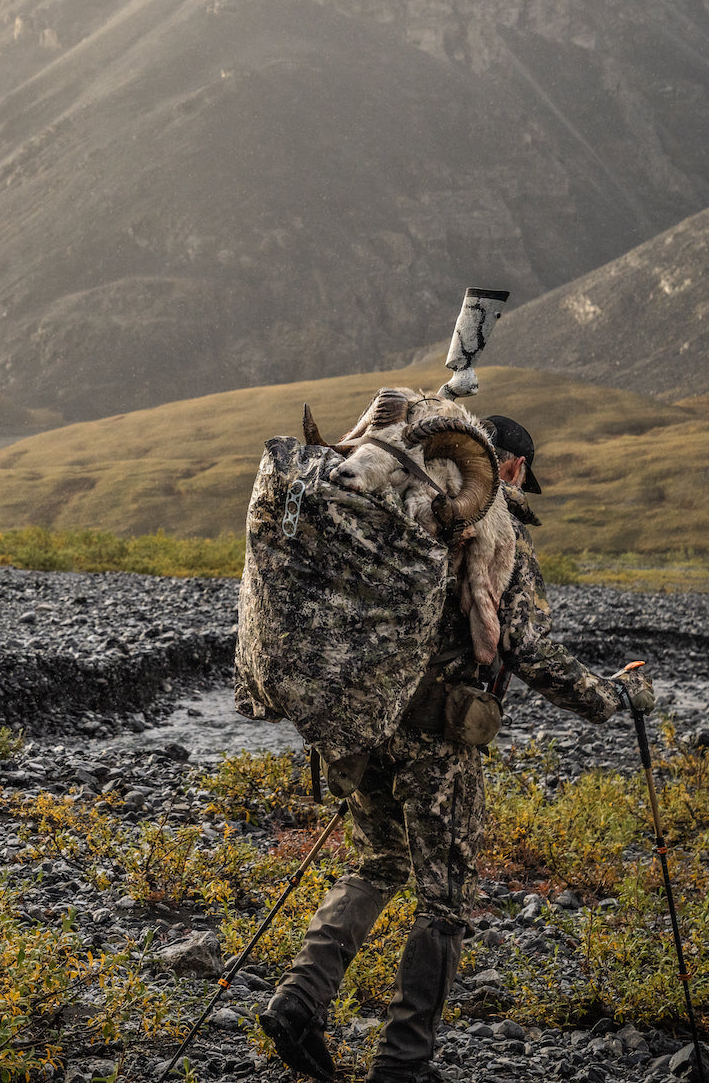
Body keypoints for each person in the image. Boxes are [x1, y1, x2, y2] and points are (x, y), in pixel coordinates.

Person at [259, 413, 655, 1083]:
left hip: (357, 721)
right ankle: (403, 1062)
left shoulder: (391, 515)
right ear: (512, 467)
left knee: (380, 862)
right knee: (443, 900)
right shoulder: (493, 531)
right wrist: (610, 696)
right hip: (435, 739)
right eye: (522, 474)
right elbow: (526, 648)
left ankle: (298, 1001)